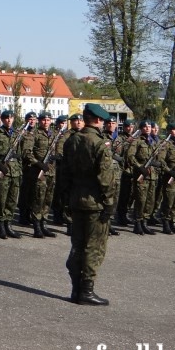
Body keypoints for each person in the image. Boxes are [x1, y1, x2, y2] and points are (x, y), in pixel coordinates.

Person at [61, 103, 115, 306]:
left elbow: (64, 173)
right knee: (94, 247)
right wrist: (109, 202)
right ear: (99, 120)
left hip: (76, 199)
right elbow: (105, 177)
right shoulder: (99, 143)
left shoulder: (72, 140)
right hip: (94, 203)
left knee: (78, 245)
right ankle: (86, 291)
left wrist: (66, 198)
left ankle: (76, 289)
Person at [0, 110, 24, 239]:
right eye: (6, 118)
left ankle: (9, 225)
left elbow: (20, 153)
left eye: (11, 118)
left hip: (15, 171)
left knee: (12, 200)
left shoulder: (17, 134)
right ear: (3, 119)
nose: (9, 120)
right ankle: (1, 226)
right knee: (1, 200)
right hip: (3, 170)